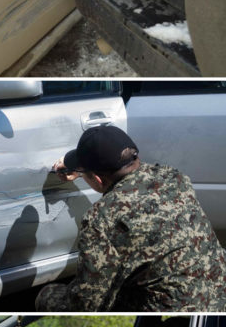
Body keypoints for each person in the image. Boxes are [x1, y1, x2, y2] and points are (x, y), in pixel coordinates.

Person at [35, 124, 226, 312]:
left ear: (98, 179)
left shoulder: (102, 219)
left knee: (49, 296)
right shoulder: (174, 177)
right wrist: (80, 169)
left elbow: (87, 303)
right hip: (219, 294)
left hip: (177, 311)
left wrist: (53, 295)